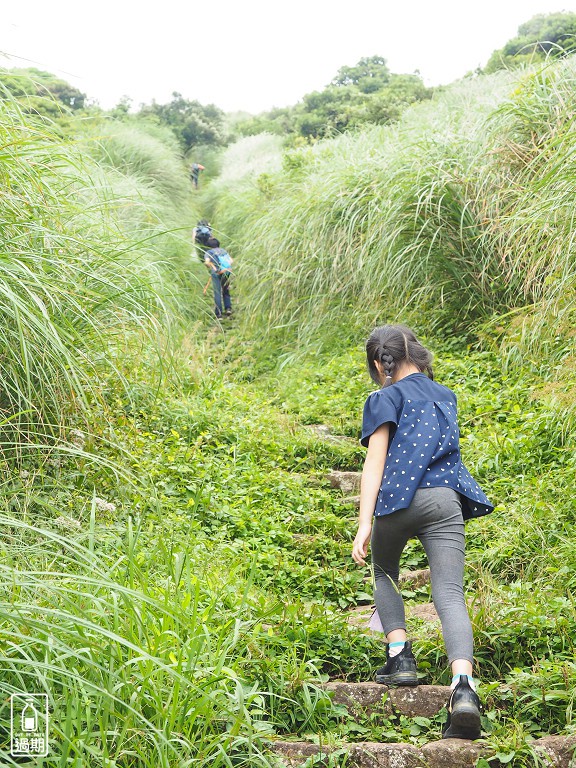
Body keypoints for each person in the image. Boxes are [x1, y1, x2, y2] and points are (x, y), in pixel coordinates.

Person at [351, 324, 493, 741]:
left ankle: (400, 658)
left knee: (384, 573)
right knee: (449, 593)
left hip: (397, 503)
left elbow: (374, 465)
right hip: (444, 501)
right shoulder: (445, 395)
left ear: (380, 363)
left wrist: (364, 524)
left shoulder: (382, 397)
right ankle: (463, 689)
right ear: (417, 352)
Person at [204, 237, 233, 319]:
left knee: (217, 292)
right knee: (225, 290)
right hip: (226, 271)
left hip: (216, 273)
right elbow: (231, 261)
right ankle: (228, 308)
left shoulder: (208, 252)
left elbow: (207, 262)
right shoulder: (223, 251)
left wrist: (210, 266)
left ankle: (219, 314)